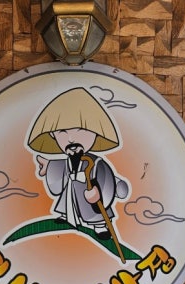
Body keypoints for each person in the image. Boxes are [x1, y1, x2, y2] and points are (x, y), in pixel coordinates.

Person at [27, 87, 128, 239]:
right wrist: (49, 167)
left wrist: (99, 194)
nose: (71, 139)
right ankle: (66, 216)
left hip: (91, 196)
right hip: (71, 190)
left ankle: (100, 226)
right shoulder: (68, 160)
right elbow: (61, 169)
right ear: (53, 135)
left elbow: (106, 179)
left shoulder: (97, 163)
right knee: (67, 200)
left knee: (95, 212)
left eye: (81, 130)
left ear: (95, 132)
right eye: (62, 132)